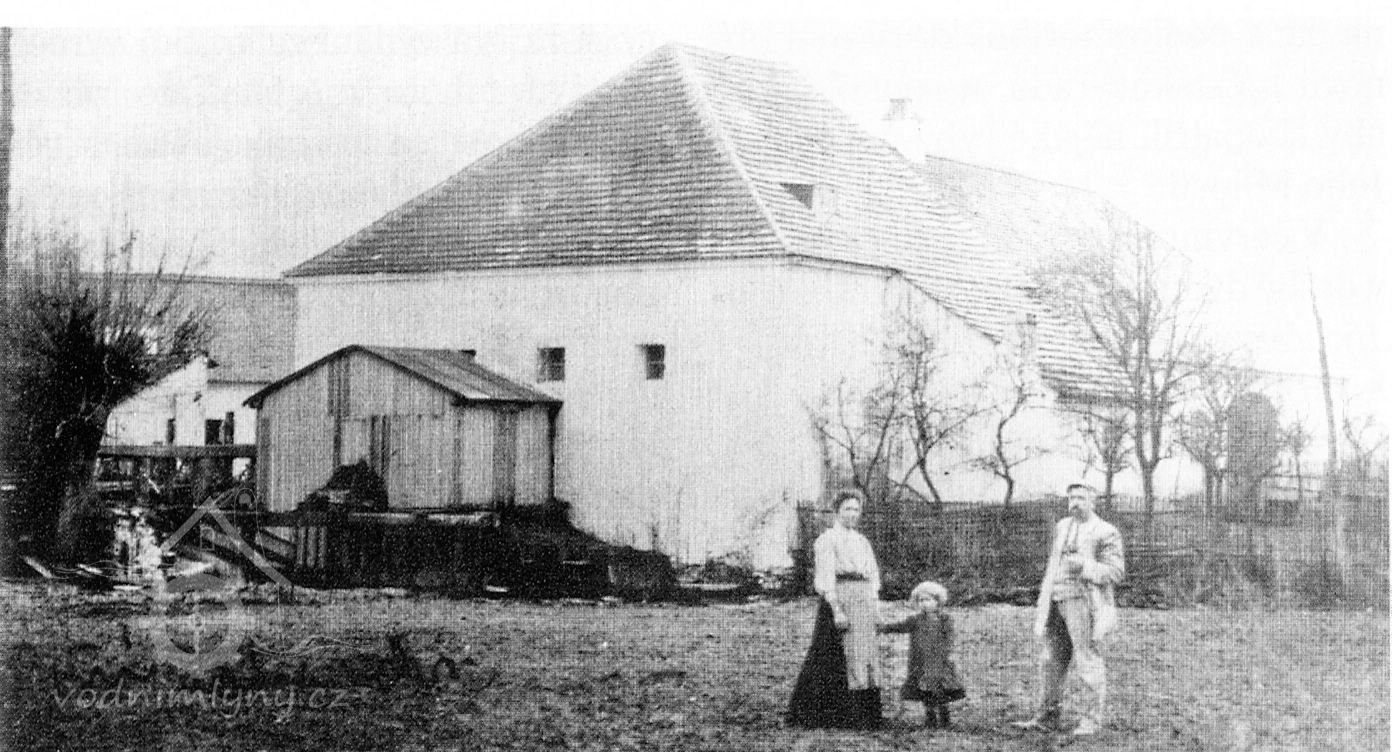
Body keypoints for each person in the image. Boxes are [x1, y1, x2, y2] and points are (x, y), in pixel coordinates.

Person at [1011, 483, 1125, 737]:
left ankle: (1090, 721)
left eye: (1081, 498)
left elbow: (1116, 572)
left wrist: (1085, 566)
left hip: (1083, 602)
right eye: (1071, 498)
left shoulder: (1106, 531)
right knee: (1051, 660)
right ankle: (1046, 717)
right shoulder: (1063, 526)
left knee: (1087, 660)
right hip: (1055, 600)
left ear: (1093, 501)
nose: (1075, 503)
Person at [786, 490, 884, 729]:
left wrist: (874, 604)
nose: (853, 514)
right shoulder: (827, 539)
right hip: (839, 599)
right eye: (848, 509)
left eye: (856, 509)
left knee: (863, 653)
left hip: (862, 601)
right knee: (832, 654)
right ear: (837, 511)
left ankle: (864, 715)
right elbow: (825, 576)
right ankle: (829, 714)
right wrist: (836, 609)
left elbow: (873, 575)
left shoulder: (862, 541)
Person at [879, 580, 966, 729]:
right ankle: (930, 716)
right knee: (924, 689)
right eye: (920, 600)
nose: (924, 604)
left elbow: (949, 637)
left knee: (941, 687)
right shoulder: (915, 620)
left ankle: (944, 715)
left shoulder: (945, 619)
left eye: (928, 600)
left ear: (937, 601)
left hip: (939, 660)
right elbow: (900, 626)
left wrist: (948, 652)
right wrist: (884, 628)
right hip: (920, 660)